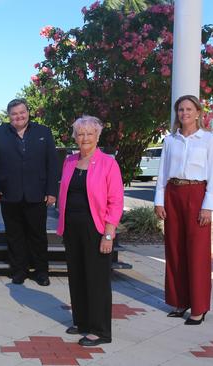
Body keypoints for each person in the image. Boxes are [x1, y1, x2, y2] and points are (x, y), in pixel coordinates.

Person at [57, 115, 123, 346]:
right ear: (75, 137)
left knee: (97, 280)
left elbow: (116, 201)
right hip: (72, 228)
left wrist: (108, 234)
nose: (84, 137)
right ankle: (82, 321)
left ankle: (100, 330)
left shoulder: (108, 163)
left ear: (97, 136)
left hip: (96, 228)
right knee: (77, 276)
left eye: (89, 133)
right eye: (80, 133)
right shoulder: (69, 161)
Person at [154, 95, 213, 325]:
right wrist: (159, 201)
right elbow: (162, 172)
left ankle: (199, 307)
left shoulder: (208, 139)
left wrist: (207, 206)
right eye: (180, 109)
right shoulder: (170, 140)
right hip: (173, 194)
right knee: (175, 250)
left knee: (197, 252)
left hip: (197, 194)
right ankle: (179, 300)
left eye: (189, 109)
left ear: (198, 112)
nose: (184, 113)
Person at [0, 98, 59, 286]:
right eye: (14, 114)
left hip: (37, 194)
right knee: (14, 235)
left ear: (28, 112)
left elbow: (53, 164)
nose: (18, 116)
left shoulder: (44, 132)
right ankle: (19, 271)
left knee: (38, 235)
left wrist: (52, 191)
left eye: (21, 112)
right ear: (9, 116)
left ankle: (41, 272)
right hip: (9, 194)